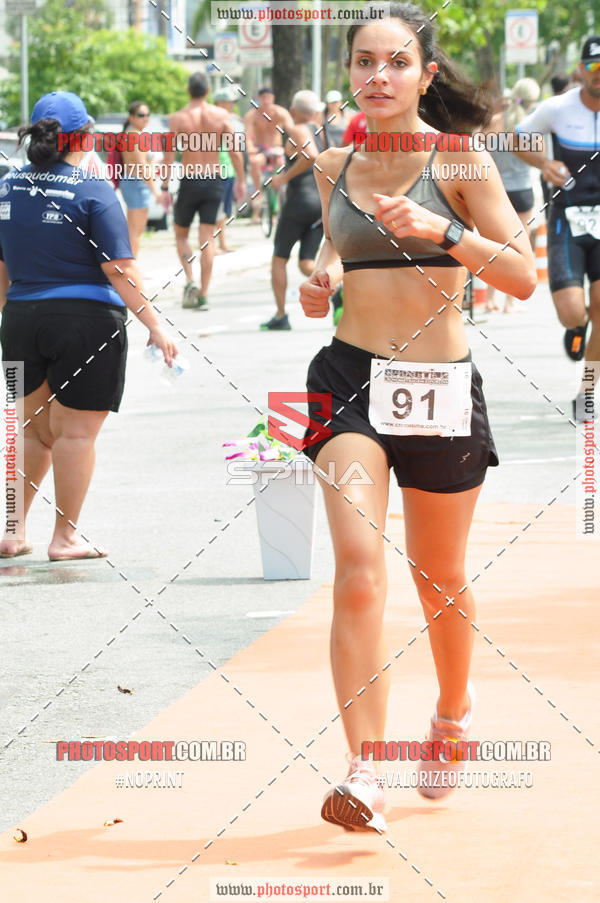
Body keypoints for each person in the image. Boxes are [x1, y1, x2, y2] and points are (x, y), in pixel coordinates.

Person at [299, 2, 536, 831]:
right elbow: (336, 247)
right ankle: (365, 770)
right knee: (359, 568)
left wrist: (445, 230)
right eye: (364, 62)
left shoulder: (461, 160)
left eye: (396, 62)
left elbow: (522, 275)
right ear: (349, 72)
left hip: (438, 384)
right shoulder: (334, 162)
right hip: (348, 379)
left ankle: (453, 711)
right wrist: (321, 279)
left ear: (425, 75)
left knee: (438, 574)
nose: (378, 76)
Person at [0, 91, 176, 561]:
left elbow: (2, 267)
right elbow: (119, 269)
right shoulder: (93, 188)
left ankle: (13, 531)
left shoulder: (7, 187)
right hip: (86, 323)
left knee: (31, 432)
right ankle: (64, 538)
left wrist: (7, 319)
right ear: (84, 137)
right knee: (74, 435)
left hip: (20, 320)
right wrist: (155, 325)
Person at [513, 36, 600, 418]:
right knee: (573, 312)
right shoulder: (557, 108)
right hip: (567, 217)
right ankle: (576, 327)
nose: (599, 75)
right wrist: (544, 164)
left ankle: (587, 393)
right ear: (581, 70)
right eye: (594, 67)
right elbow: (516, 139)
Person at [161, 73, 245, 309]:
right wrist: (241, 181)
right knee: (207, 239)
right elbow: (234, 152)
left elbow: (169, 155)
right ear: (208, 92)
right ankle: (204, 293)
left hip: (190, 180)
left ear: (188, 91)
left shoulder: (178, 118)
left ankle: (190, 280)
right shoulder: (221, 115)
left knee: (181, 235)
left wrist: (165, 186)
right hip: (214, 180)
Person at [261, 91, 327, 332]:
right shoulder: (321, 131)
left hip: (300, 201)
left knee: (279, 258)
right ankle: (340, 288)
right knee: (306, 262)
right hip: (320, 203)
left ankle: (281, 315)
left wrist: (284, 177)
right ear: (316, 111)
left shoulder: (298, 130)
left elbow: (310, 156)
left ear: (293, 110)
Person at [485, 78, 540, 313]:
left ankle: (489, 300)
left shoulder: (494, 121)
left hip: (497, 190)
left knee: (494, 248)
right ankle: (510, 302)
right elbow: (540, 157)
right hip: (523, 190)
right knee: (519, 249)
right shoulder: (531, 125)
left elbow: (480, 153)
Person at [119, 101, 162, 258]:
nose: (145, 118)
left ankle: (129, 263)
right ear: (131, 117)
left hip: (132, 182)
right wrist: (156, 191)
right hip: (136, 183)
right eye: (141, 115)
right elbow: (141, 167)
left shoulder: (131, 133)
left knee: (133, 229)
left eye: (147, 115)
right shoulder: (135, 135)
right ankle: (131, 265)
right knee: (136, 230)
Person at [243, 87, 294, 223]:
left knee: (282, 165)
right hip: (261, 150)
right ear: (259, 99)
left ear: (273, 98)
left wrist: (293, 146)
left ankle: (278, 207)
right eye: (263, 97)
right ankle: (258, 195)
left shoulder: (281, 113)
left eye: (268, 97)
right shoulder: (252, 115)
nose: (266, 100)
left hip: (277, 149)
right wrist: (250, 148)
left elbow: (293, 131)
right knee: (254, 162)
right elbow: (247, 136)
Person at [213, 87, 244, 253]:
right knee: (215, 208)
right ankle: (212, 243)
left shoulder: (230, 120)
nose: (232, 105)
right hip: (217, 170)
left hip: (228, 170)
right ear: (220, 103)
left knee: (223, 209)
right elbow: (234, 151)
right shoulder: (214, 120)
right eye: (229, 102)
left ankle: (222, 242)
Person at [540, 74, 570, 216]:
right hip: (562, 170)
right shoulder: (565, 108)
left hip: (548, 168)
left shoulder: (545, 107)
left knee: (550, 212)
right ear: (566, 87)